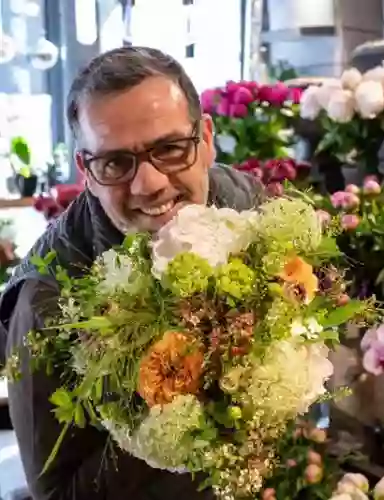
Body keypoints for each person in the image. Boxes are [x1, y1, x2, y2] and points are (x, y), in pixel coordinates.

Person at [0, 47, 263, 500]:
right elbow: (55, 493)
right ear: (86, 170)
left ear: (205, 138)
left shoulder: (246, 204)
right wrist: (170, 406)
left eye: (171, 148)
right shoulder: (47, 300)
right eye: (116, 163)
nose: (150, 184)